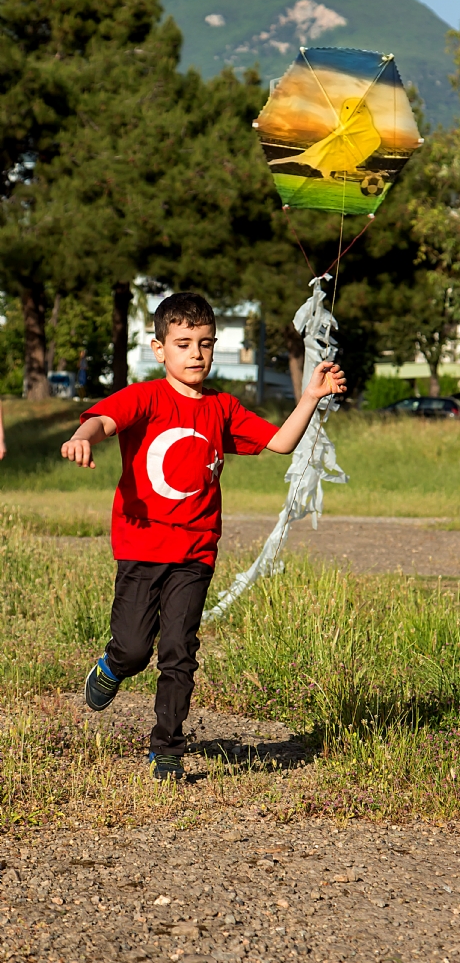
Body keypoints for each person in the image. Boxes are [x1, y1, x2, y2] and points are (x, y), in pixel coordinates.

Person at [60, 291, 346, 780]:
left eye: (205, 343)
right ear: (159, 349)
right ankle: (111, 666)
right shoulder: (145, 397)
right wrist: (79, 439)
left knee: (179, 650)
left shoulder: (222, 407)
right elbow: (103, 421)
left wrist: (310, 397)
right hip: (141, 545)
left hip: (195, 552)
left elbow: (279, 442)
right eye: (183, 343)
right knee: (133, 648)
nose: (196, 353)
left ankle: (166, 746)